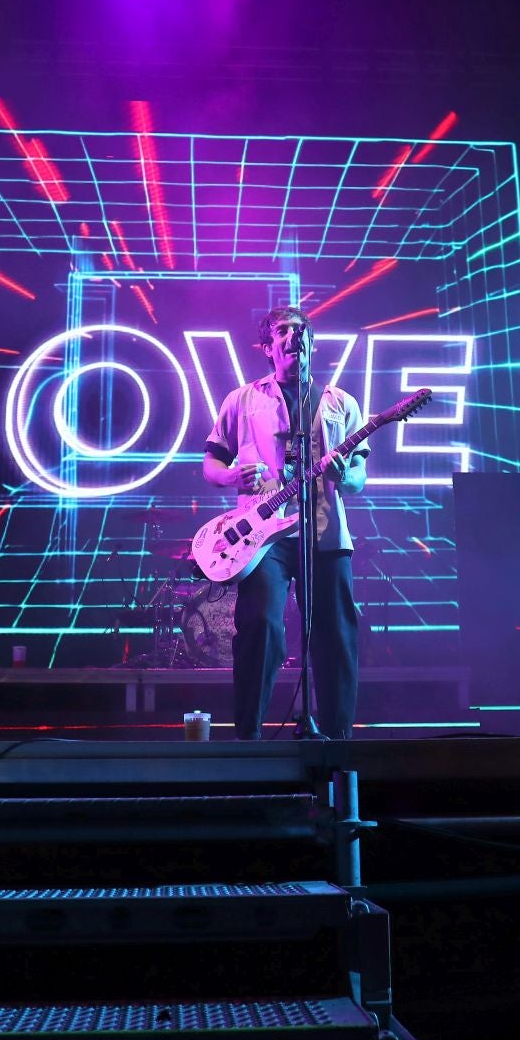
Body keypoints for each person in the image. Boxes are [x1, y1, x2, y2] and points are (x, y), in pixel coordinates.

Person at [202, 306, 368, 739]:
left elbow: (359, 481)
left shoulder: (340, 402)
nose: (294, 336)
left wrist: (342, 474)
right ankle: (250, 739)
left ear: (312, 342)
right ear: (267, 346)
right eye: (283, 331)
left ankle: (337, 741)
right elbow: (211, 463)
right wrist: (228, 475)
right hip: (262, 538)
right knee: (260, 627)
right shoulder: (242, 399)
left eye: (301, 330)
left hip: (325, 532)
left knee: (335, 634)